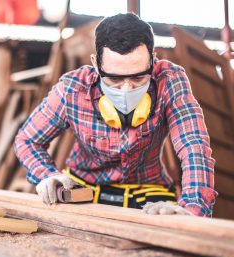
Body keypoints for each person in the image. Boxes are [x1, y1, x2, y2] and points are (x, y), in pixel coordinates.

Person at [13, 13, 217, 217]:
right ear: (96, 64)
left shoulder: (169, 80)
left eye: (138, 77)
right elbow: (27, 140)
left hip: (147, 189)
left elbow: (193, 144)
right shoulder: (72, 89)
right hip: (82, 189)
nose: (127, 88)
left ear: (153, 62)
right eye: (114, 79)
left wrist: (192, 208)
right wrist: (47, 175)